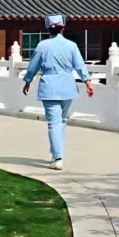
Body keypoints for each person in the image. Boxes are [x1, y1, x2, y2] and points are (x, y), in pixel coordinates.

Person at [22, 14, 94, 170]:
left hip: (50, 86)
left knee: (53, 123)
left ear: (48, 29)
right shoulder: (71, 45)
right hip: (67, 86)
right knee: (61, 121)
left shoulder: (42, 45)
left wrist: (28, 80)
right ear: (63, 28)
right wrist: (88, 82)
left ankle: (57, 157)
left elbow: (33, 65)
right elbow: (80, 66)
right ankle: (57, 153)